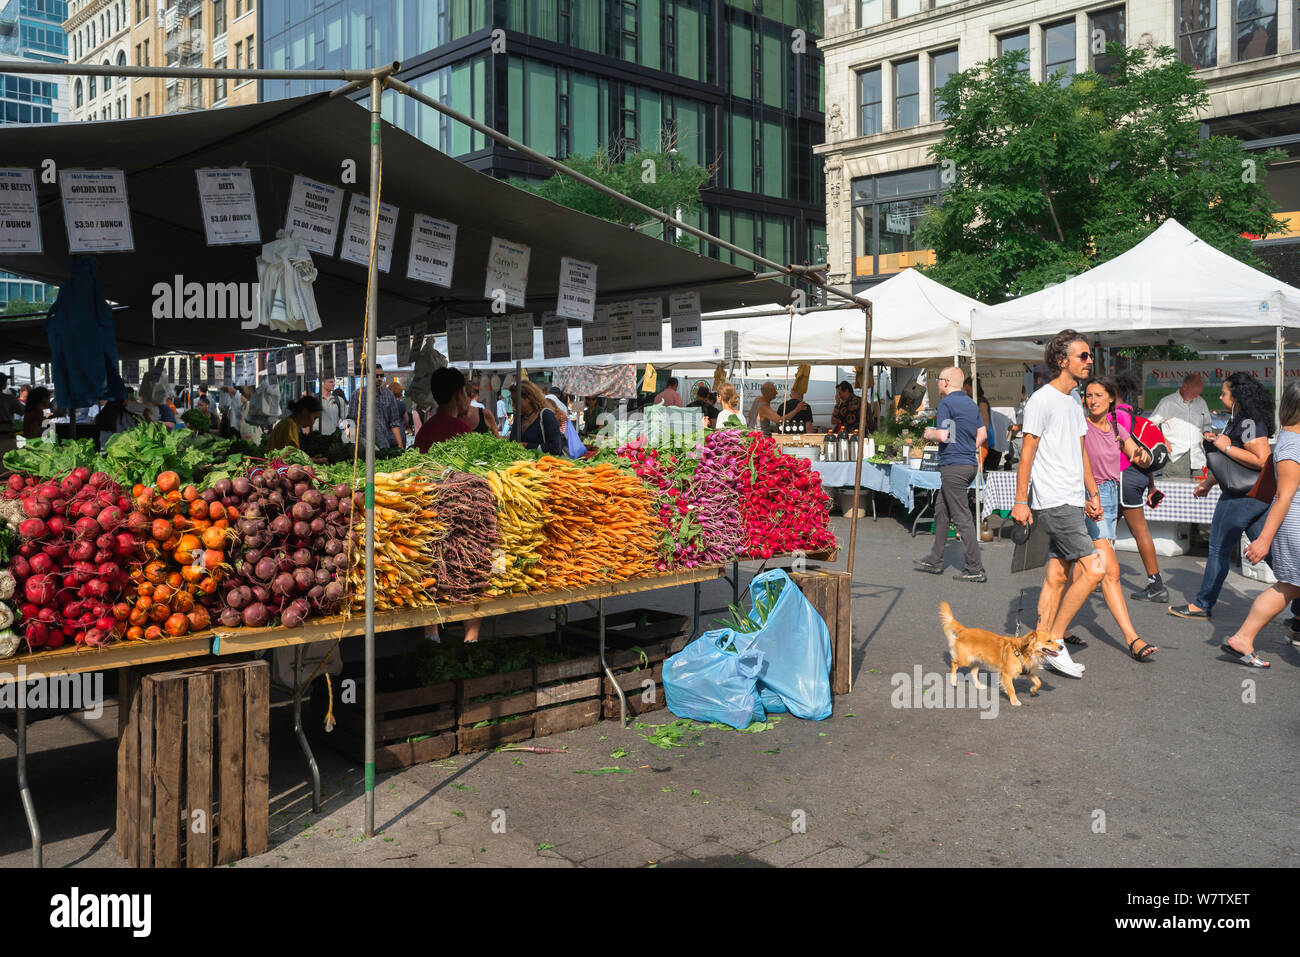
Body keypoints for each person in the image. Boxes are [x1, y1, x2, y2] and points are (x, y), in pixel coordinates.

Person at [1010, 330, 1106, 679]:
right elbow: (1028, 453)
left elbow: (1081, 451)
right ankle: (1055, 642)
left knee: (1056, 576)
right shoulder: (1042, 400)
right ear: (1062, 360)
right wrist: (1021, 501)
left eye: (1089, 355)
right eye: (1083, 356)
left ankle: (1034, 647)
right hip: (1054, 502)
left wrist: (1092, 494)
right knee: (1095, 568)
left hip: (1071, 499)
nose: (1089, 361)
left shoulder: (1072, 401)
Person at [1168, 372, 1275, 620]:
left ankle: (1202, 604)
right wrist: (1209, 481)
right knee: (1271, 554)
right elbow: (1234, 464)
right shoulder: (1244, 418)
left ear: (1237, 396)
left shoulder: (1248, 420)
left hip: (1240, 497)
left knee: (1217, 549)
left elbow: (1261, 460)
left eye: (1224, 392)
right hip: (1254, 496)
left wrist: (1224, 445)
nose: (1220, 396)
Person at [1222, 380, 1300, 668]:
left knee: (1289, 587)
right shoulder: (1292, 444)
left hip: (1293, 523)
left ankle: (1243, 637)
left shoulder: (1292, 440)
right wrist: (1264, 539)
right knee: (1288, 586)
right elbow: (1284, 496)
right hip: (1295, 526)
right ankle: (1243, 636)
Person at [1080, 376, 1157, 661]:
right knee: (1109, 570)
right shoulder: (1081, 427)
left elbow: (1136, 454)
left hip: (1112, 495)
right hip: (1091, 496)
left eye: (1098, 395)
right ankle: (1132, 638)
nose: (1093, 400)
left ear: (1111, 397)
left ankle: (1052, 628)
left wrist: (1151, 457)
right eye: (1088, 395)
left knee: (1080, 569)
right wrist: (1089, 496)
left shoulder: (1115, 426)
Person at [915, 367, 986, 582]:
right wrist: (966, 448)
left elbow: (944, 435)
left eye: (938, 379)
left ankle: (975, 569)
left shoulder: (946, 403)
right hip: (968, 464)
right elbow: (982, 434)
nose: (937, 383)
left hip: (954, 465)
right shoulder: (971, 404)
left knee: (962, 517)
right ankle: (935, 558)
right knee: (941, 510)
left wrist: (929, 433)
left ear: (946, 382)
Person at [1112, 372, 1167, 603]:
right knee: (1104, 529)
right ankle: (1096, 577)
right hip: (1138, 476)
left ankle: (1156, 584)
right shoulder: (1131, 412)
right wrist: (1151, 483)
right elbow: (1145, 452)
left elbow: (1129, 451)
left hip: (1124, 477)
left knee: (1138, 530)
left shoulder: (1116, 416)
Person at [1148, 373, 1212, 479]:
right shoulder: (1167, 402)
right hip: (1176, 458)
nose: (1197, 396)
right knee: (1175, 493)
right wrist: (1162, 439)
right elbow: (1150, 424)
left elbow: (1207, 424)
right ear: (1185, 386)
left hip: (1198, 458)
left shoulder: (1201, 402)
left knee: (1201, 492)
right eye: (1194, 392)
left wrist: (1207, 432)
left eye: (1199, 393)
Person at [414, 367, 472, 452]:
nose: (466, 397)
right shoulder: (461, 429)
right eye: (465, 392)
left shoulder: (424, 431)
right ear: (458, 394)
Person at [347, 365, 403, 449]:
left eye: (381, 376)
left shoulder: (389, 395)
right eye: (376, 376)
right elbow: (351, 421)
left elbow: (394, 422)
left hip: (383, 444)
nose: (379, 378)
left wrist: (400, 446)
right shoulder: (357, 394)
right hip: (362, 445)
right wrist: (352, 444)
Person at [517, 381, 567, 455]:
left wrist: (528, 446)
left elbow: (556, 448)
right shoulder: (519, 419)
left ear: (529, 399)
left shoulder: (546, 415)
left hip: (545, 464)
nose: (513, 404)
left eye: (516, 401)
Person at [975, 383, 1002, 471]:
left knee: (981, 469)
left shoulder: (981, 402)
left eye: (967, 390)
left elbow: (985, 426)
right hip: (982, 442)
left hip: (984, 443)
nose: (966, 393)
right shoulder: (977, 401)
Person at [389, 378, 410, 448]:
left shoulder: (386, 404)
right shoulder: (402, 404)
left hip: (388, 435)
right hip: (400, 435)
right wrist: (402, 426)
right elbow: (406, 420)